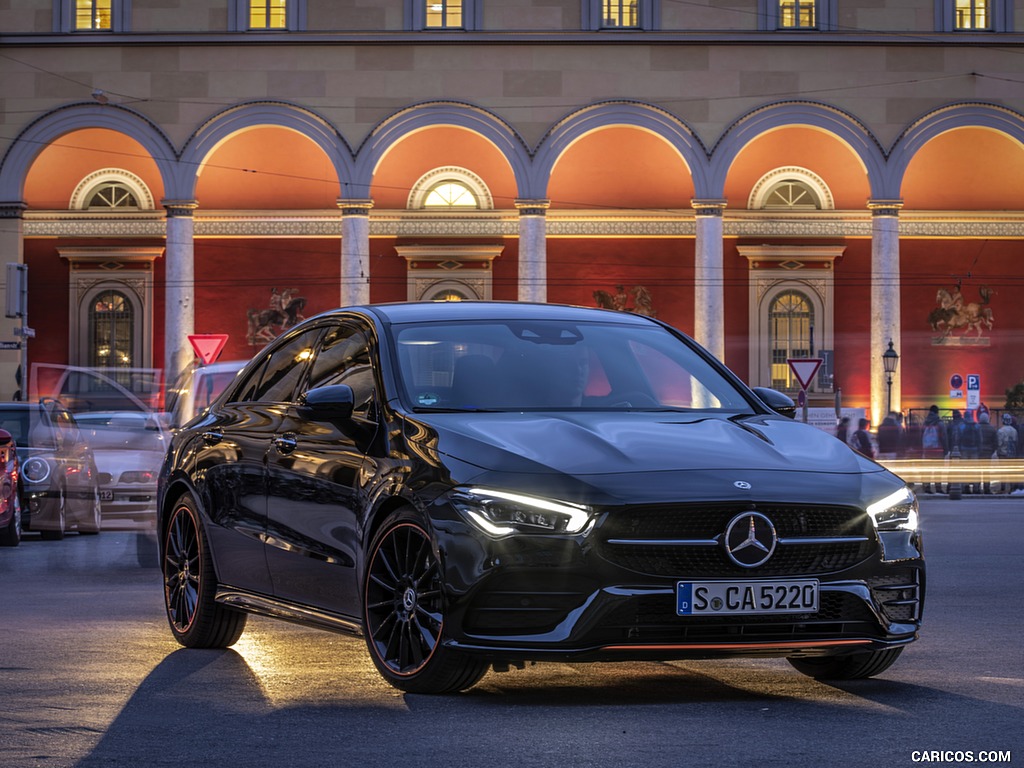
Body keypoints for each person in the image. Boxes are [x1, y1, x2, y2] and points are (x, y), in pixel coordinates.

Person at [920, 405, 947, 494]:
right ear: (937, 412)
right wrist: (945, 449)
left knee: (927, 468)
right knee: (938, 469)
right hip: (938, 450)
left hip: (927, 450)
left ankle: (927, 486)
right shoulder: (940, 423)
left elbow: (921, 436)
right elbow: (943, 437)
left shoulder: (925, 422)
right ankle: (938, 487)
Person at [996, 413, 1020, 495]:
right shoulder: (1014, 430)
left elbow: (999, 443)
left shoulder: (1001, 431)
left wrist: (998, 451)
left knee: (1003, 472)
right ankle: (1012, 488)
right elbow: (1016, 441)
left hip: (1003, 453)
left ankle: (1002, 488)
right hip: (1012, 454)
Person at [977, 411, 998, 494]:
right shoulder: (992, 429)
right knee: (986, 471)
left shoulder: (977, 427)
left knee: (978, 471)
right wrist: (992, 450)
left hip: (979, 452)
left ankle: (977, 487)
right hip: (988, 452)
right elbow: (995, 442)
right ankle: (986, 488)